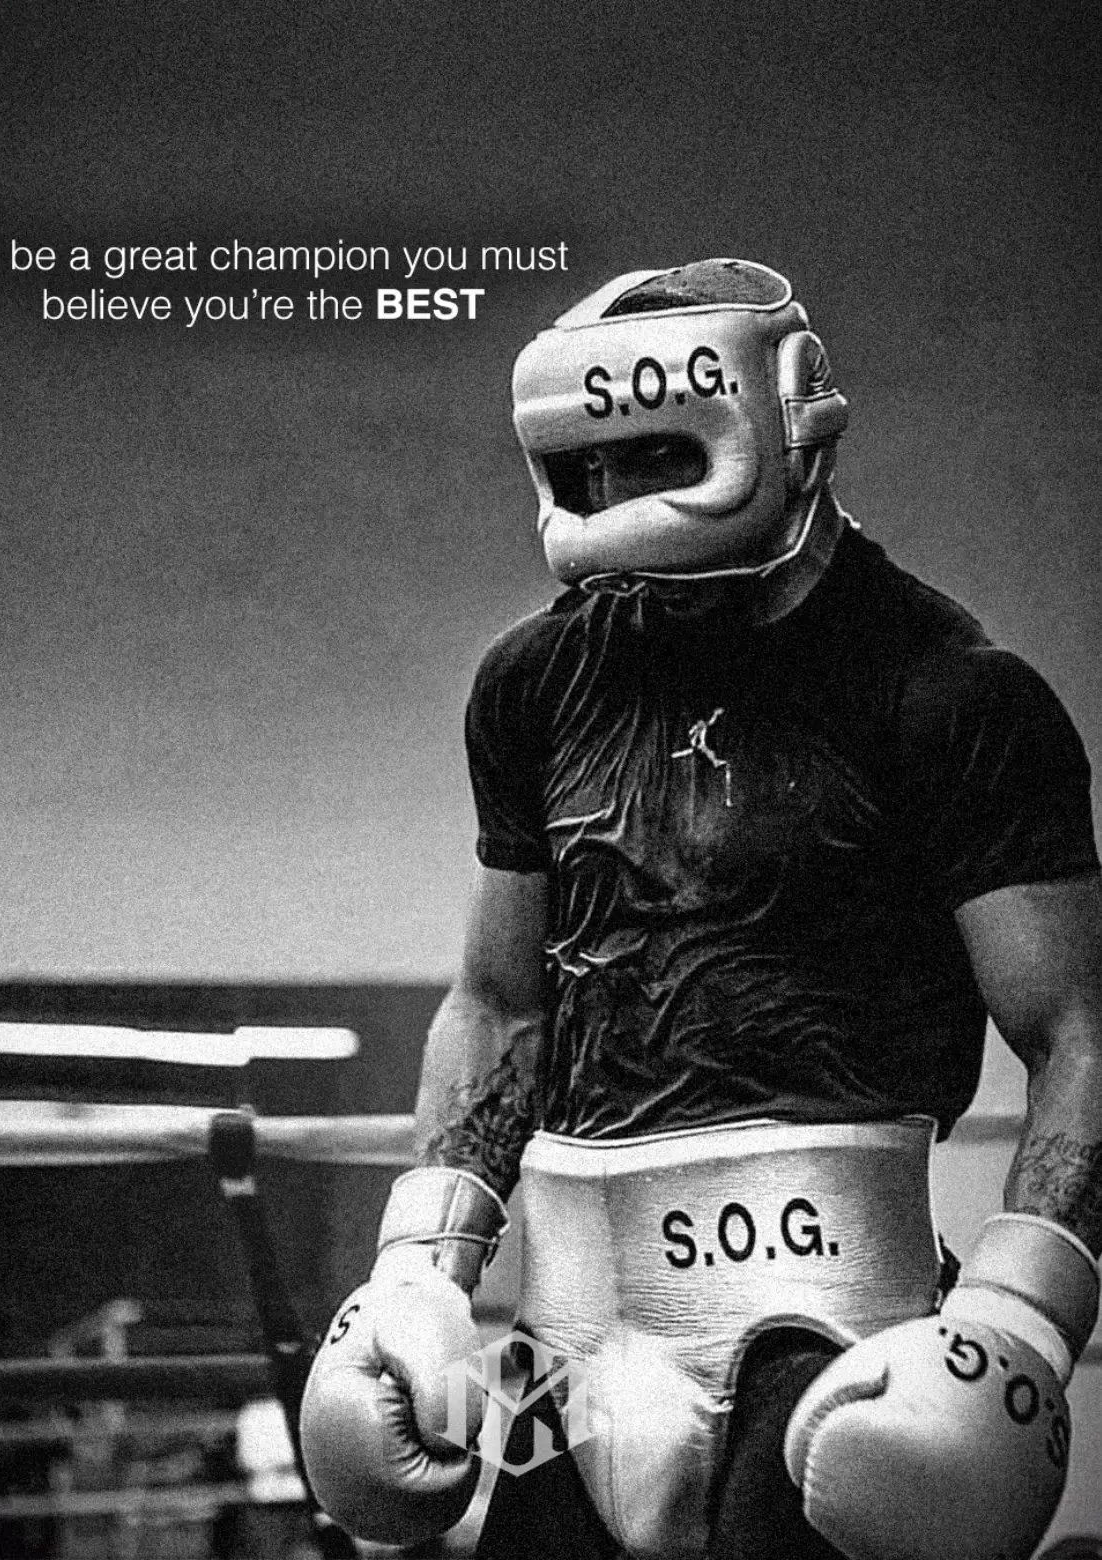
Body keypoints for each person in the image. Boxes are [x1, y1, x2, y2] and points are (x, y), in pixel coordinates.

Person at [299, 259, 1102, 1560]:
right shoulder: (535, 680)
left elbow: (1080, 1031)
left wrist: (1021, 1320)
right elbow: (499, 1003)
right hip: (568, 1344)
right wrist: (417, 1266)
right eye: (592, 465)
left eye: (662, 454)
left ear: (787, 427)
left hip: (823, 1326)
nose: (625, 498)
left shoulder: (947, 693)